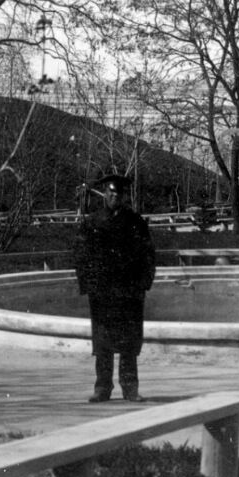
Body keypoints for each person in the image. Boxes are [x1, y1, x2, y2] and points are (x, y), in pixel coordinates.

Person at [72, 171, 157, 401]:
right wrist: (89, 284)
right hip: (103, 292)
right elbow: (81, 255)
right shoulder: (93, 223)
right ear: (104, 195)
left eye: (118, 194)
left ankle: (130, 388)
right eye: (110, 193)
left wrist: (143, 283)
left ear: (124, 196)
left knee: (129, 342)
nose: (114, 197)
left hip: (129, 292)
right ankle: (102, 388)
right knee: (103, 342)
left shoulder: (136, 223)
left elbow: (148, 254)